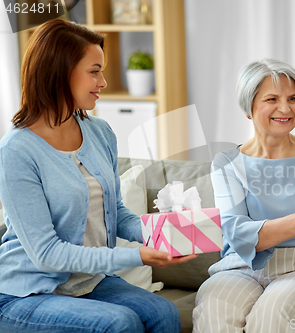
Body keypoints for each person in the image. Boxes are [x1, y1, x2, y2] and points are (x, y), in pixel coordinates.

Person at [0, 18, 196, 333]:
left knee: (163, 313)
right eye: (94, 71)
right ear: (60, 72)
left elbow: (115, 212)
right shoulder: (16, 151)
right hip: (27, 291)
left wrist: (162, 234)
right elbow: (46, 254)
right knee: (120, 324)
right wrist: (135, 256)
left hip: (88, 283)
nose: (103, 81)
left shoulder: (99, 132)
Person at [192, 58, 295, 333]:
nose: (285, 108)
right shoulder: (227, 163)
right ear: (249, 107)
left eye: (293, 98)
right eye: (272, 99)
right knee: (214, 311)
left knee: (270, 316)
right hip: (240, 268)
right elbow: (236, 232)